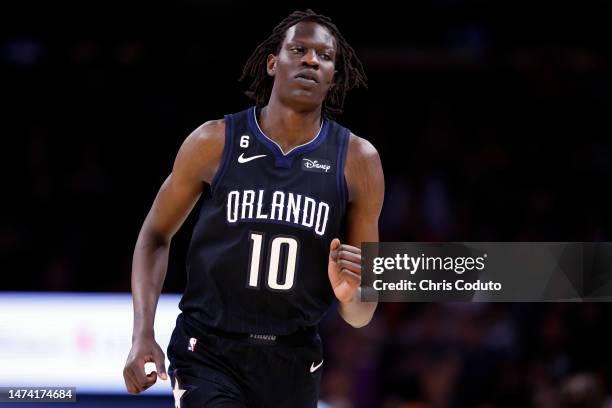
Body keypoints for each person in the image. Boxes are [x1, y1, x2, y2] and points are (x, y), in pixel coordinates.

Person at [123, 9, 384, 408]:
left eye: (324, 56)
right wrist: (143, 331)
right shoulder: (214, 141)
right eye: (298, 49)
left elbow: (362, 312)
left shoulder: (358, 161)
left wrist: (350, 294)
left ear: (334, 75)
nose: (311, 60)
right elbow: (154, 236)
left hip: (293, 360)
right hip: (208, 351)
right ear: (271, 62)